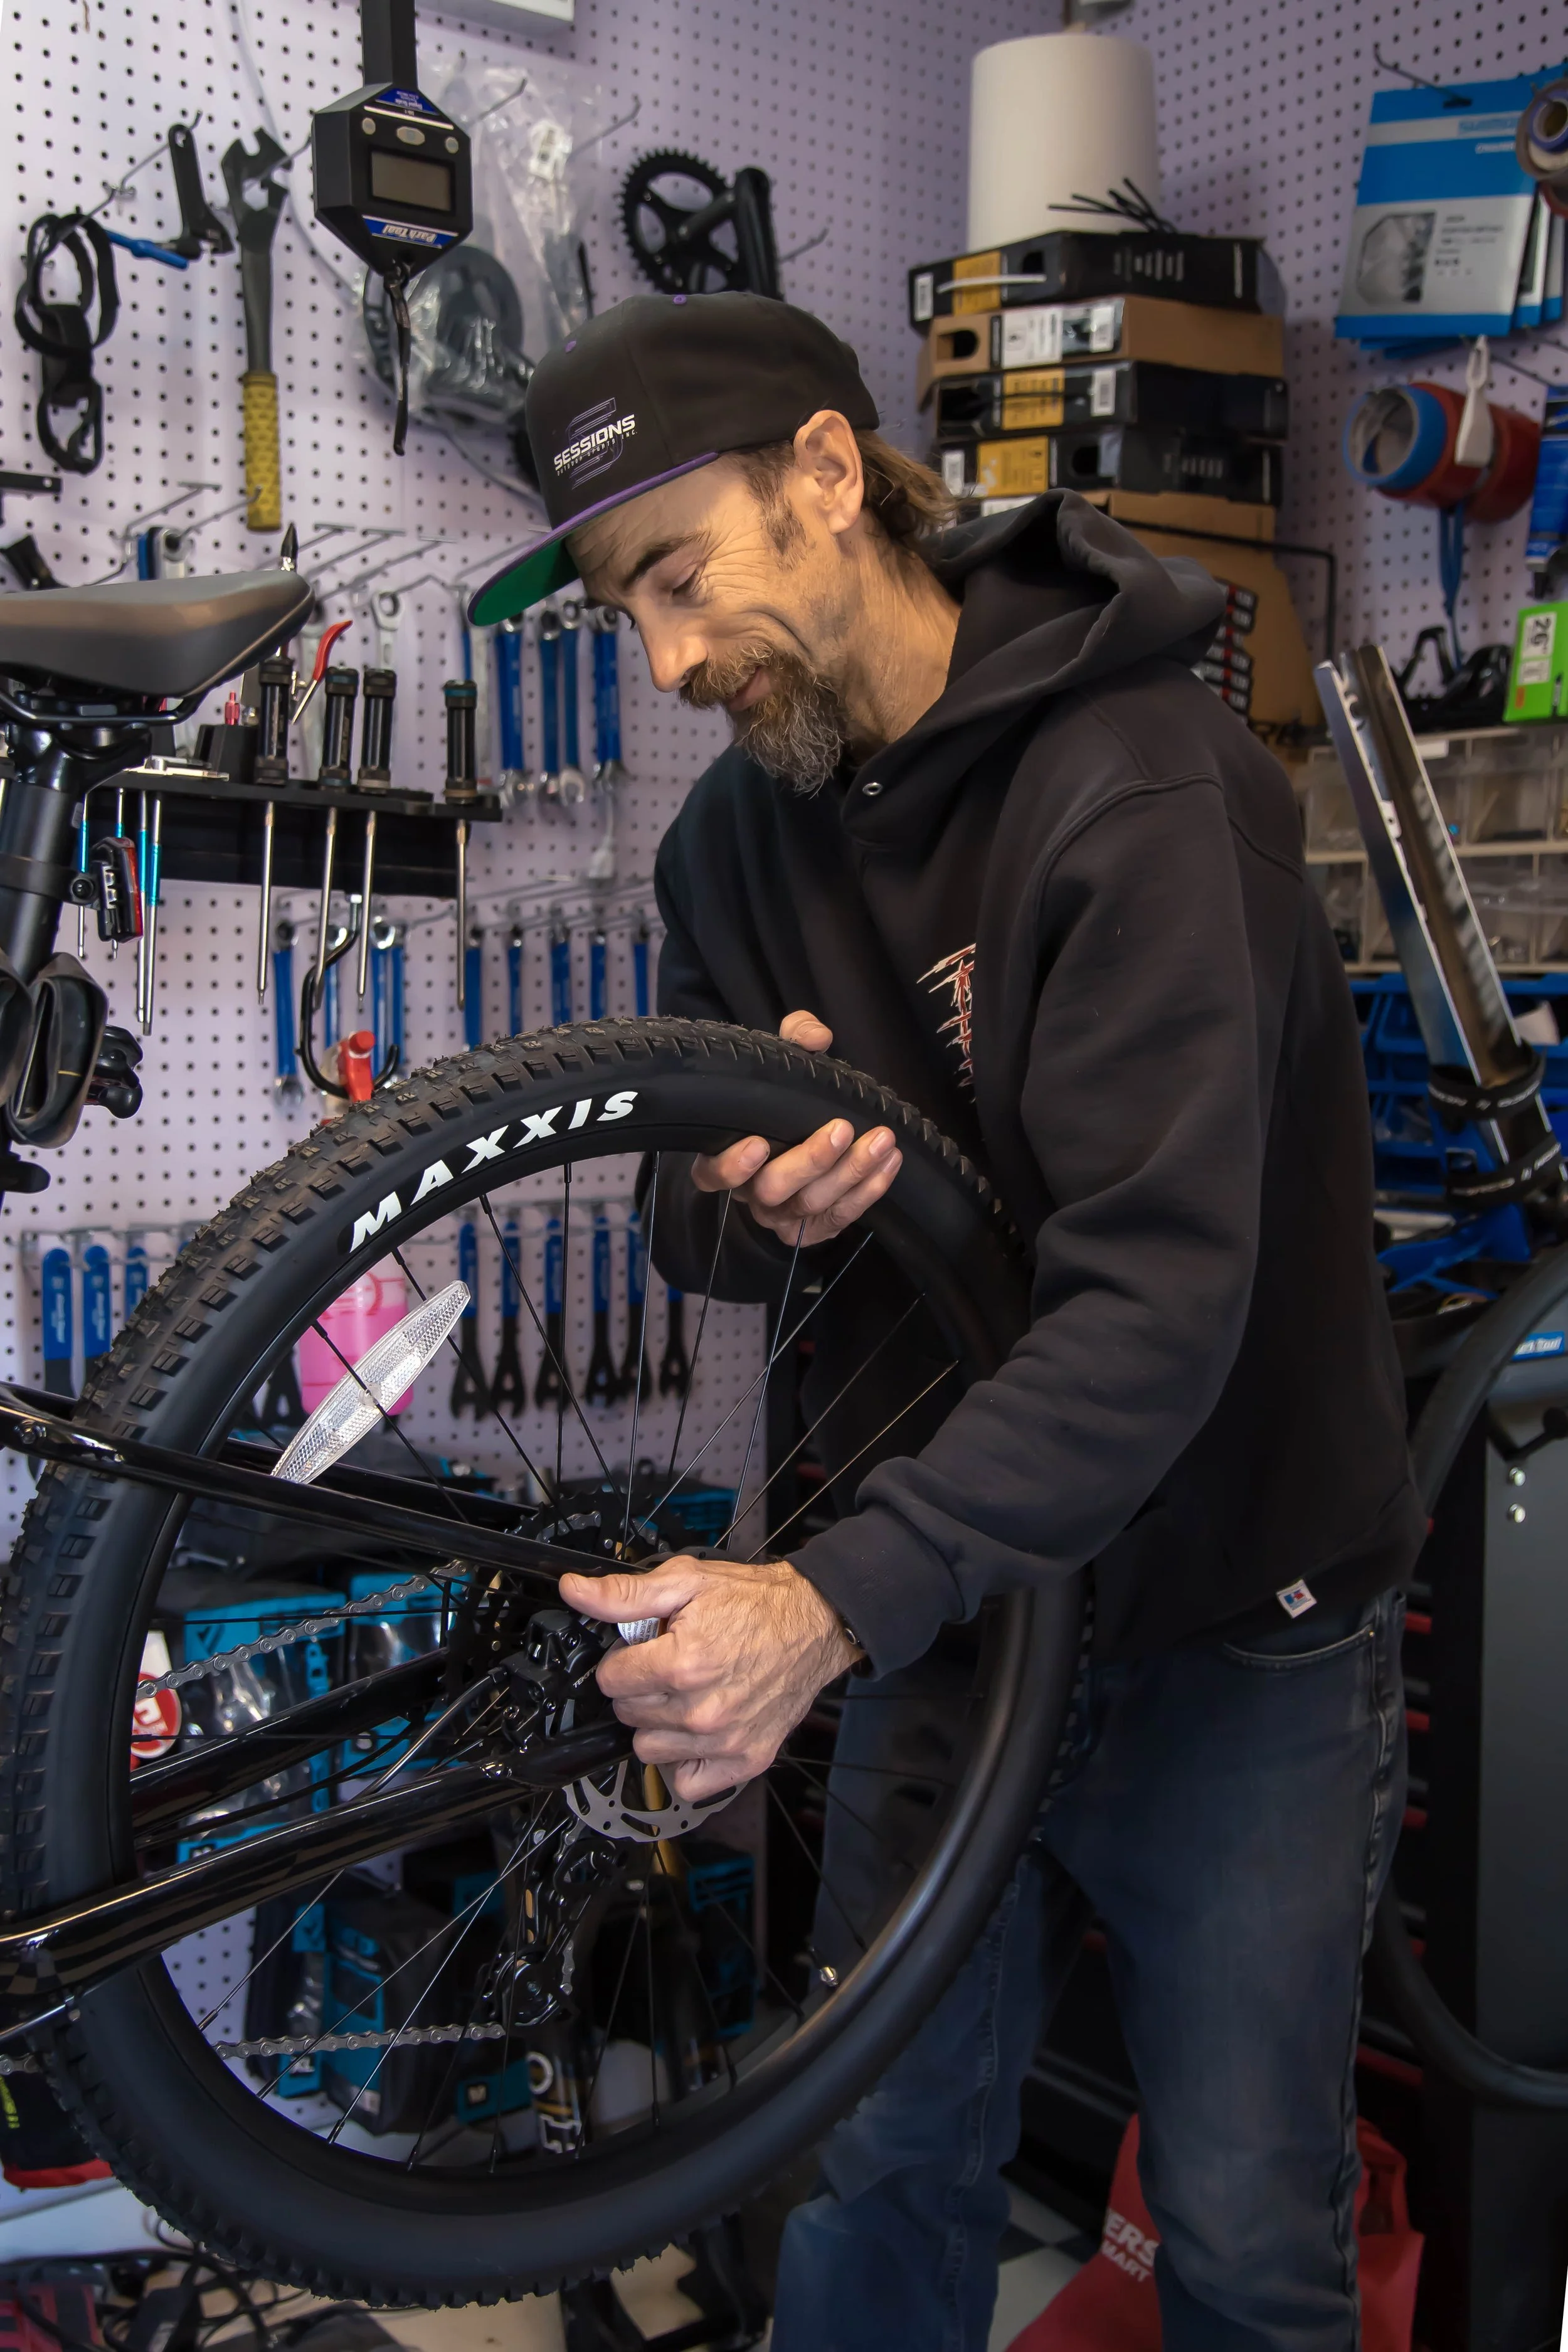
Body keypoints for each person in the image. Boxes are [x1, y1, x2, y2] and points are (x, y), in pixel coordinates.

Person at [470, 291, 1421, 2351]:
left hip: (1221, 1619)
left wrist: (813, 1608)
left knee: (1252, 2229)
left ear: (829, 474)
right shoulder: (738, 835)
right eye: (621, 615)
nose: (665, 663)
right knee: (880, 2158)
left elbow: (1155, 1309)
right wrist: (736, 1198)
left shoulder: (1142, 788)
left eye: (677, 581)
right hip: (949, 1610)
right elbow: (689, 1235)